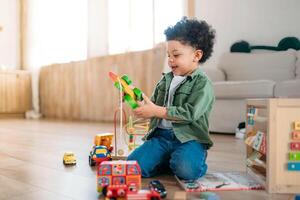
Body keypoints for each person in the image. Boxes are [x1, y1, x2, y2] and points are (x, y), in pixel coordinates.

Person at [127, 17, 216, 180]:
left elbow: (190, 113)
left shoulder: (203, 84)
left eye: (176, 55)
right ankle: (166, 160)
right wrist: (140, 101)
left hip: (189, 139)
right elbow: (154, 105)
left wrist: (155, 110)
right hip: (161, 137)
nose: (170, 60)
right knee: (132, 166)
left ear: (196, 55)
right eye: (168, 55)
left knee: (186, 170)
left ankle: (188, 159)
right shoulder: (166, 79)